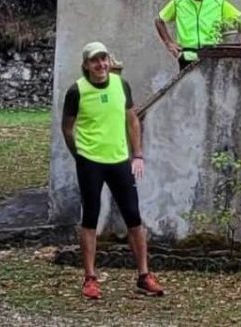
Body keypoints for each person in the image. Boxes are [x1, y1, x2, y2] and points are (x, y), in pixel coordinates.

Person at [60, 42, 164, 300]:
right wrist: (79, 155)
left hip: (119, 160)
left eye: (104, 59)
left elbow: (131, 120)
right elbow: (67, 127)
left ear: (109, 61)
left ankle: (144, 275)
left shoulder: (121, 85)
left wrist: (137, 153)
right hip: (90, 161)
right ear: (86, 65)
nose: (101, 65)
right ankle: (90, 278)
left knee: (134, 217)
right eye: (95, 61)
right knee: (90, 217)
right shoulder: (77, 91)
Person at [155, 0, 241, 69]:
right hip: (187, 56)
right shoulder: (178, 2)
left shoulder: (218, 3)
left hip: (211, 56)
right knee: (189, 85)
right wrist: (169, 43)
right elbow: (159, 21)